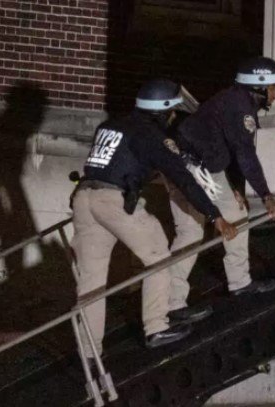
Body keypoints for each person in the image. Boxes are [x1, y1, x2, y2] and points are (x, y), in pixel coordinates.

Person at [71, 79, 238, 354]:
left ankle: (89, 353)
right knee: (158, 256)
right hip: (113, 201)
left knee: (91, 282)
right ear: (162, 111)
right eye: (172, 112)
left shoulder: (110, 125)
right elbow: (183, 178)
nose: (173, 118)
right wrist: (214, 215)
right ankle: (156, 327)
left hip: (83, 198)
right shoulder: (151, 135)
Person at [166, 57, 275, 306]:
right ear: (259, 86)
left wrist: (235, 187)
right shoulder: (241, 107)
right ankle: (238, 283)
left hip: (186, 165)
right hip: (196, 167)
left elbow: (227, 149)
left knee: (194, 231)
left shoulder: (231, 99)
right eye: (273, 88)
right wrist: (267, 196)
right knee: (230, 218)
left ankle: (172, 301)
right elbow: (245, 155)